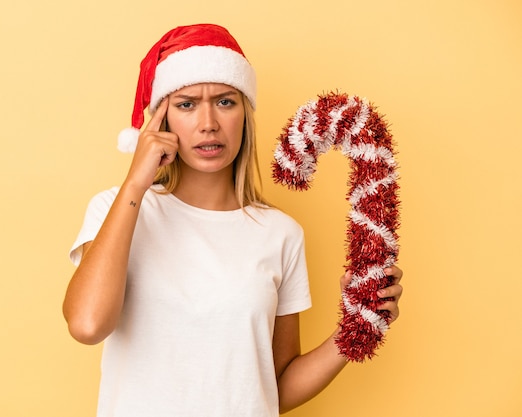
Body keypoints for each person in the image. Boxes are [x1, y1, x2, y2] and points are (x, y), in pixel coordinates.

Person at [63, 23, 403, 417]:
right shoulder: (115, 208)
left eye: (225, 101)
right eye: (186, 104)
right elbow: (87, 325)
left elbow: (273, 386)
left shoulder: (280, 235)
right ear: (161, 121)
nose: (208, 122)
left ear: (245, 113)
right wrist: (137, 181)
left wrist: (357, 326)